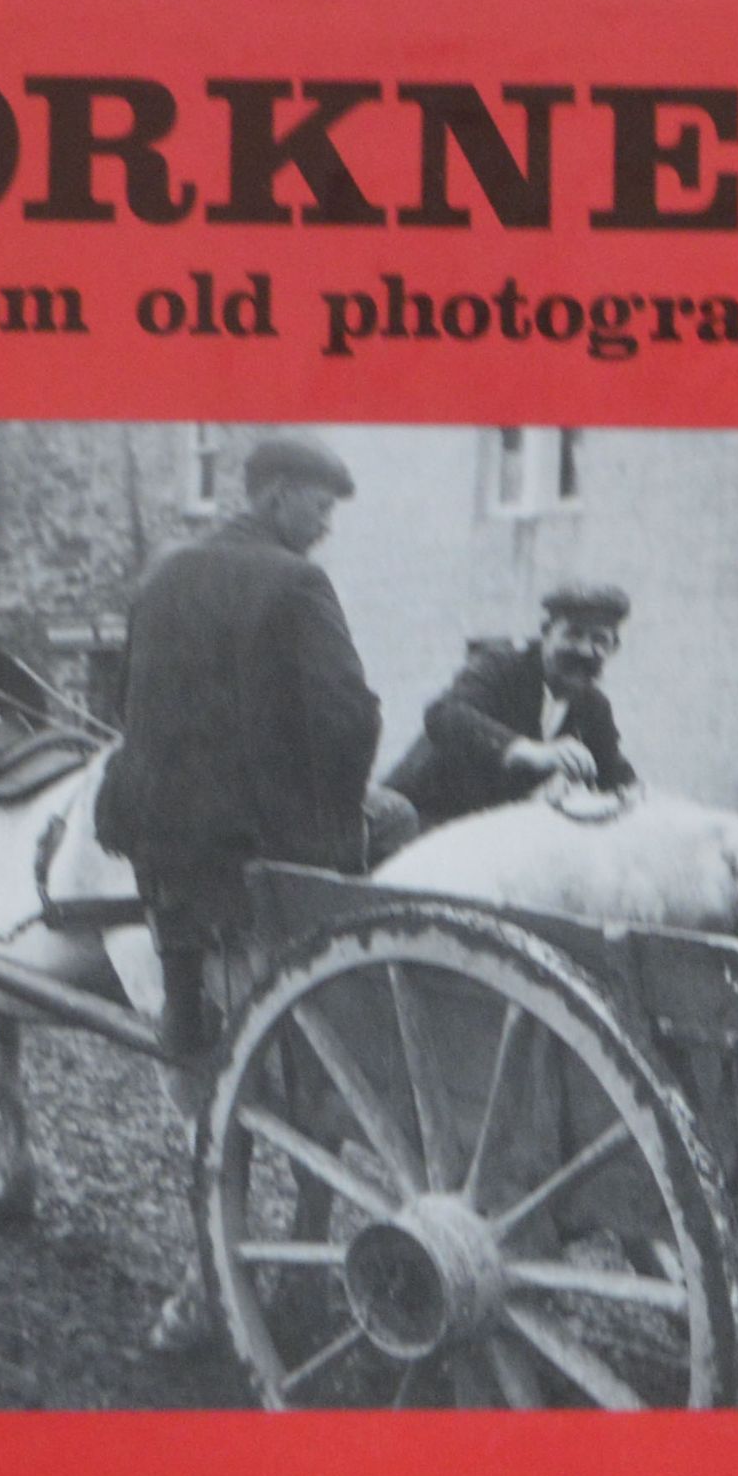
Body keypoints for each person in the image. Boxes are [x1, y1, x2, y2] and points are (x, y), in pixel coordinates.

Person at [98, 431, 410, 1062]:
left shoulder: (161, 574)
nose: (326, 527)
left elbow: (121, 701)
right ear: (278, 497)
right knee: (397, 813)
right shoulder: (297, 581)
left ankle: (181, 987)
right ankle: (377, 985)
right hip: (263, 842)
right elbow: (350, 718)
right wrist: (339, 820)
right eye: (320, 509)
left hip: (162, 842)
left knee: (172, 805)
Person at [386, 582, 637, 827]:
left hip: (487, 833)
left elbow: (613, 773)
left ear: (613, 648)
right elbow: (445, 714)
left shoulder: (593, 705)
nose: (584, 650)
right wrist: (531, 751)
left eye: (599, 640)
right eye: (573, 634)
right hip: (420, 819)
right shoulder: (501, 664)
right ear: (546, 632)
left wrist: (636, 798)